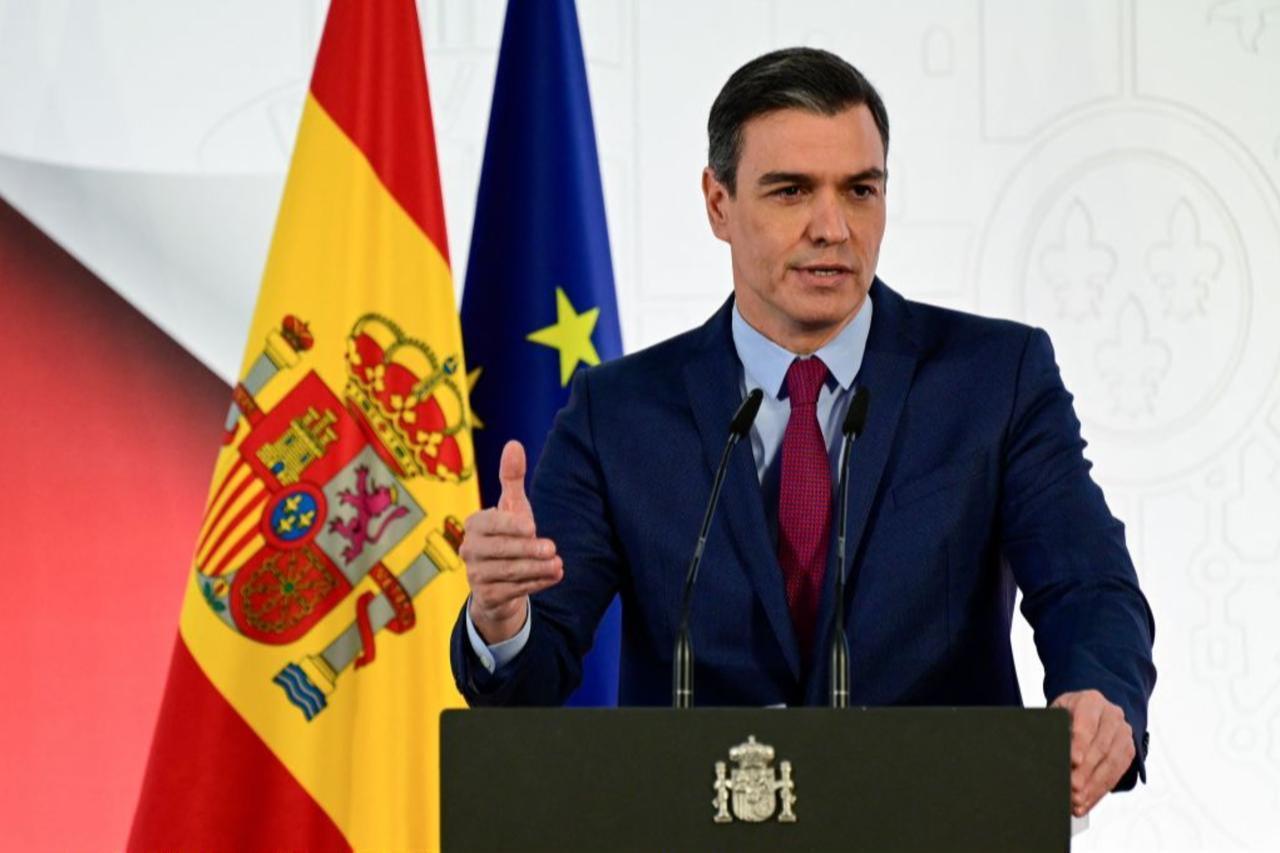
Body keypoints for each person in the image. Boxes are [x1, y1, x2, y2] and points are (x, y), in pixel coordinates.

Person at [450, 47, 1156, 818]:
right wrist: (501, 618)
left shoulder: (997, 378)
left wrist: (1098, 690)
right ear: (718, 203)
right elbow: (530, 677)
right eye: (791, 191)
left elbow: (1087, 583)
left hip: (935, 822)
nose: (831, 226)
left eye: (860, 190)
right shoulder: (617, 412)